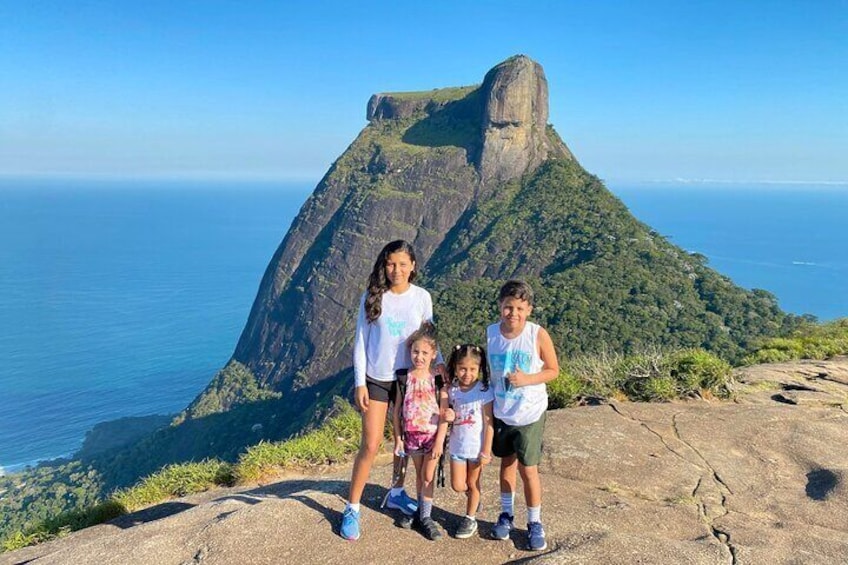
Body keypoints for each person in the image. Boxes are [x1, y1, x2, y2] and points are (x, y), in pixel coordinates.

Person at [340, 240, 443, 541]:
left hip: (408, 378)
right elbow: (360, 342)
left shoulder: (422, 297)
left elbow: (429, 336)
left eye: (401, 264)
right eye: (390, 264)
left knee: (405, 443)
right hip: (376, 378)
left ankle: (397, 492)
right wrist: (360, 382)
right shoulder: (373, 297)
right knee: (371, 444)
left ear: (413, 266)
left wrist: (440, 368)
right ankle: (352, 507)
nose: (396, 270)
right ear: (384, 266)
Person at [486, 280, 559, 551]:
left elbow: (553, 370)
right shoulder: (491, 333)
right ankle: (506, 514)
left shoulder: (537, 335)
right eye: (507, 307)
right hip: (503, 412)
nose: (512, 313)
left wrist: (528, 379)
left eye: (519, 308)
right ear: (499, 307)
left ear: (528, 309)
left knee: (528, 470)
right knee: (506, 464)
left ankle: (534, 521)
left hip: (529, 413)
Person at [392, 322, 448, 541]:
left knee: (428, 475)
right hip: (412, 437)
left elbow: (445, 411)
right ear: (410, 352)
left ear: (434, 354)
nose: (419, 357)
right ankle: (421, 513)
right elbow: (396, 411)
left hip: (432, 436)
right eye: (415, 351)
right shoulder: (404, 378)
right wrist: (398, 439)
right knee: (419, 475)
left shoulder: (437, 378)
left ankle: (425, 516)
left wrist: (439, 442)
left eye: (425, 352)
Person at [443, 344, 494, 539]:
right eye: (463, 368)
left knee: (473, 483)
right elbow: (450, 411)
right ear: (455, 367)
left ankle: (470, 517)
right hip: (457, 446)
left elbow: (489, 422)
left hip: (476, 448)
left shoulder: (483, 391)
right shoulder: (453, 390)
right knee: (458, 485)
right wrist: (449, 414)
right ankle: (474, 498)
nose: (467, 373)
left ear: (480, 369)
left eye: (473, 369)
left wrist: (486, 451)